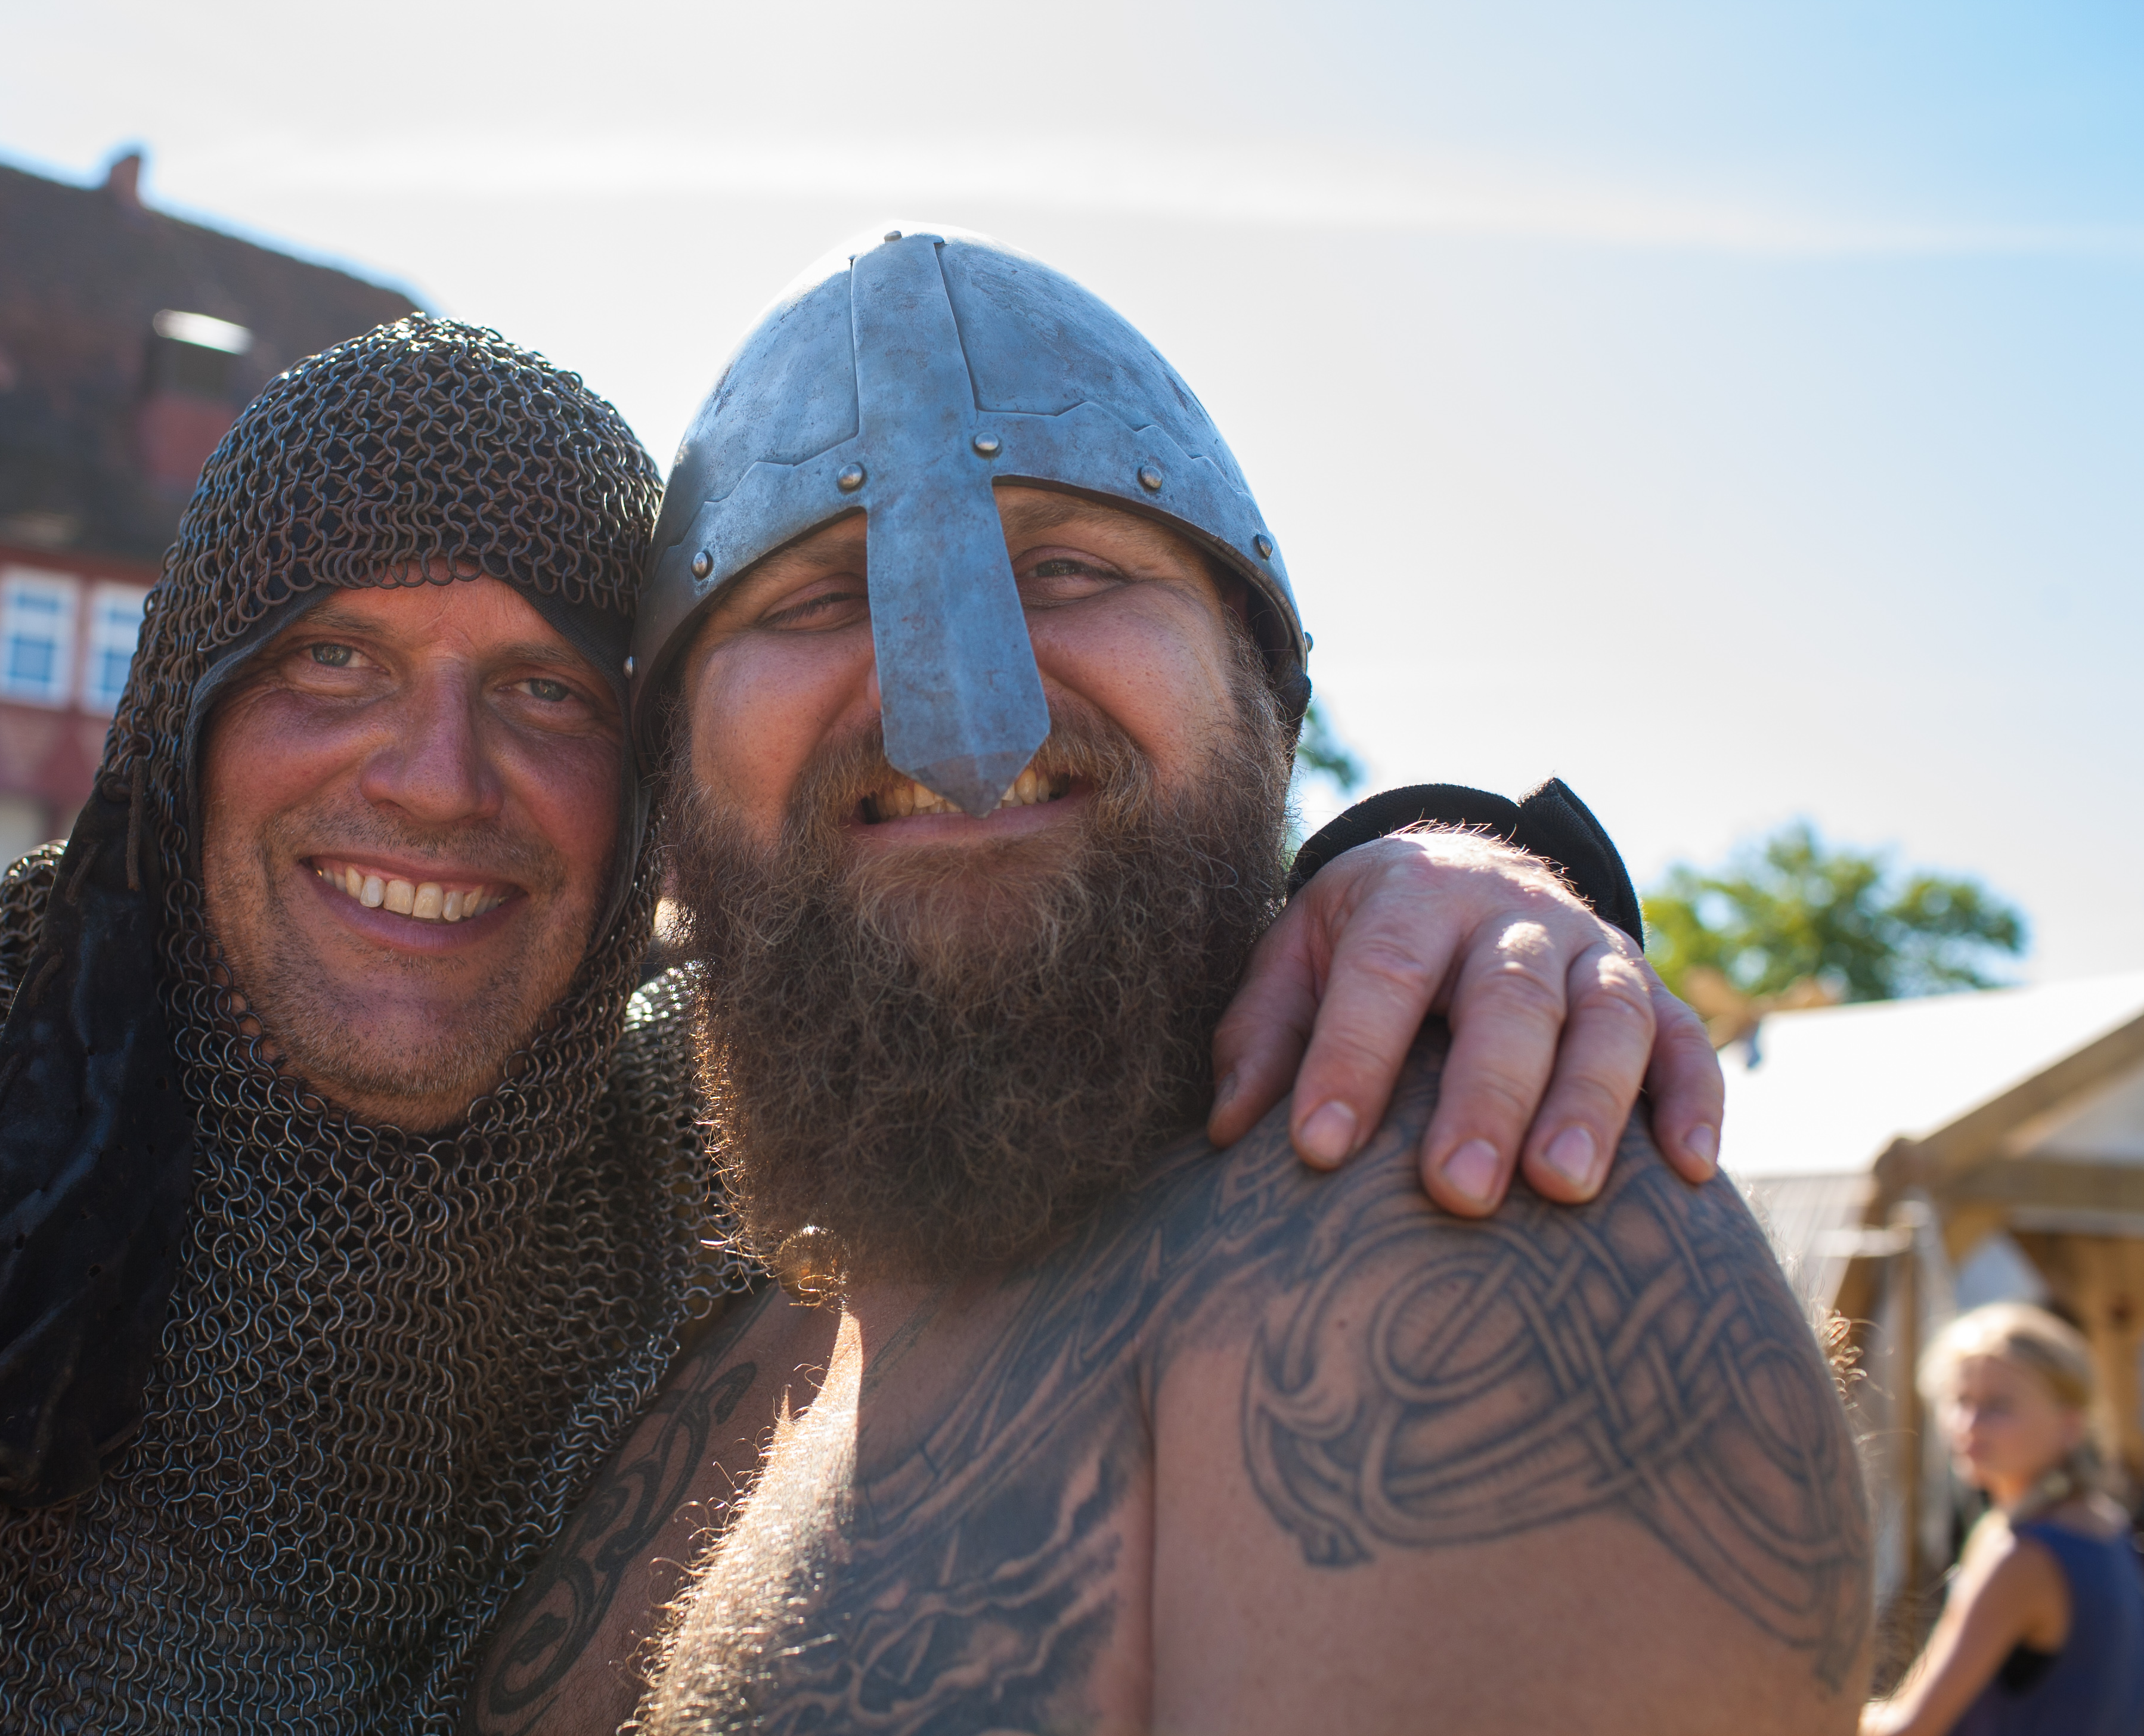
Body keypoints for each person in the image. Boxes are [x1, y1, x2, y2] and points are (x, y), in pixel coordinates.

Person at [0, 317, 1708, 1735]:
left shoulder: (718, 1152)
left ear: (659, 783)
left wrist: (1428, 870)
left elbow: (1051, 953)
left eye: (548, 691)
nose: (436, 780)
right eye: (331, 662)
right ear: (178, 730)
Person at [470, 228, 1872, 1735]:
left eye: (1068, 570)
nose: (959, 714)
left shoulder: (1459, 1242)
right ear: (670, 778)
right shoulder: (635, 1269)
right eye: (814, 598)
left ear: (1265, 700)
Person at [1864, 1303, 2144, 1736]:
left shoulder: (2023, 1556)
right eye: (1961, 1401)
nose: (1970, 1425)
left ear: (2070, 1423)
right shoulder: (2107, 1525)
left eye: (1998, 1406)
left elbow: (1909, 1729)